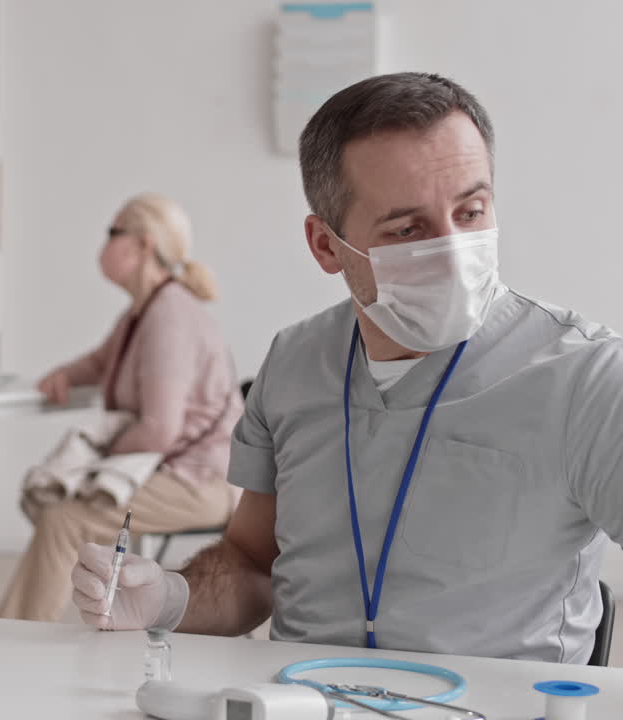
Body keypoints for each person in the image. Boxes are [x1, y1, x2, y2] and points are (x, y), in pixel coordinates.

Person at [72, 72, 623, 664]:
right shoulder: (294, 364)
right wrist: (170, 598)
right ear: (326, 246)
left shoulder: (585, 377)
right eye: (407, 229)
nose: (452, 250)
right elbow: (254, 564)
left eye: (471, 211)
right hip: (300, 701)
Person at [0, 193, 243, 622]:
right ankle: (17, 632)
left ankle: (13, 640)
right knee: (61, 508)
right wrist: (67, 375)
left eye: (112, 233)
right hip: (172, 469)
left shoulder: (170, 317)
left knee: (64, 517)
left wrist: (95, 463)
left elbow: (160, 430)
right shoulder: (143, 312)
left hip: (200, 482)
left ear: (142, 244)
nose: (104, 245)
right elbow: (101, 360)